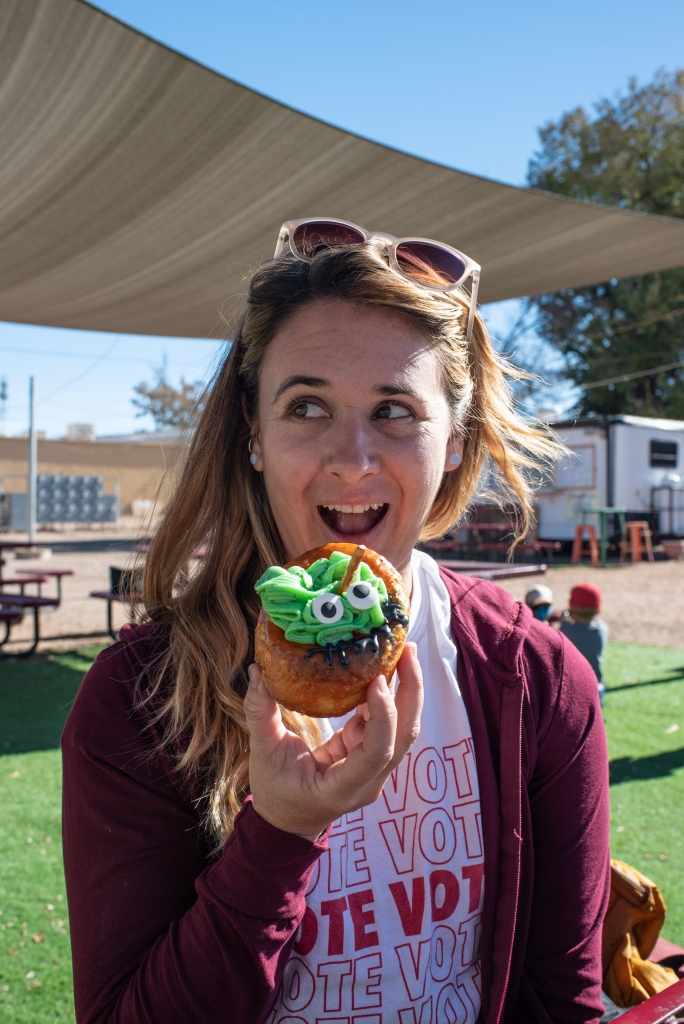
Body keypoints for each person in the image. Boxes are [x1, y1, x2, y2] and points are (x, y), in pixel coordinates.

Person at [62, 222, 610, 1024]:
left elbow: (561, 1003)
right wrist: (280, 831)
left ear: (454, 442)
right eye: (306, 406)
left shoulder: (537, 680)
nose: (352, 458)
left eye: (394, 410)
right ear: (253, 433)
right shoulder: (139, 699)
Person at [560, 583, 609, 706]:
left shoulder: (565, 628)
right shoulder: (601, 630)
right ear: (598, 609)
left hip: (571, 687)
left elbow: (564, 621)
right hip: (595, 686)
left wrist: (565, 614)